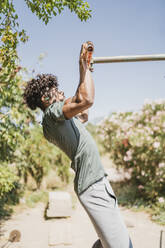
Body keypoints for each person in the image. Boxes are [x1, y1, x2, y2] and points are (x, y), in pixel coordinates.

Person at [23, 41, 133, 248]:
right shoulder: (52, 115)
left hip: (95, 181)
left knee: (113, 241)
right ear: (47, 97)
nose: (63, 94)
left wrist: (84, 68)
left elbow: (83, 111)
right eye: (58, 91)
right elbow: (87, 100)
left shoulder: (59, 119)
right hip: (92, 184)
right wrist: (83, 65)